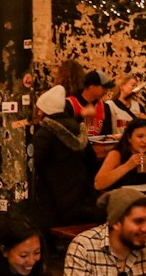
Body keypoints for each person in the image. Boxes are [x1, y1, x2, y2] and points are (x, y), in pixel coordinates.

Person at [31, 93, 101, 227]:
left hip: (53, 201)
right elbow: (91, 161)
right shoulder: (78, 129)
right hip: (80, 198)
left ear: (44, 111)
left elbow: (33, 164)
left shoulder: (44, 134)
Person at [95, 117, 146, 193]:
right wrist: (128, 165)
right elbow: (98, 184)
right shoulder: (116, 154)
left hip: (145, 197)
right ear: (129, 138)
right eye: (140, 136)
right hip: (120, 197)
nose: (144, 141)